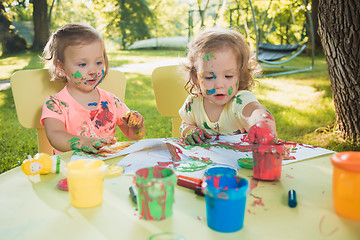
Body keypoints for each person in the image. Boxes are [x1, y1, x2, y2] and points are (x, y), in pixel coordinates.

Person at [41, 23, 145, 154]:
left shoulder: (111, 101)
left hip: (106, 166)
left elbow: (134, 135)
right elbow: (55, 135)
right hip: (72, 168)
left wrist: (137, 126)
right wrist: (82, 142)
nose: (93, 71)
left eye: (98, 62)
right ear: (61, 67)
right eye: (83, 64)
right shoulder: (55, 104)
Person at [179, 27, 277, 145]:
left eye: (229, 76)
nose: (219, 85)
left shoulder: (240, 100)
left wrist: (262, 123)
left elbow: (253, 110)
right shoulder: (193, 103)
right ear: (196, 77)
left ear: (239, 76)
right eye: (209, 77)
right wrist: (190, 130)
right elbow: (186, 123)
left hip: (238, 161)